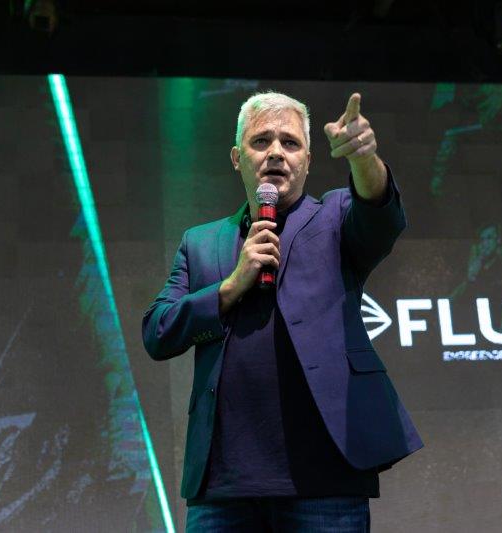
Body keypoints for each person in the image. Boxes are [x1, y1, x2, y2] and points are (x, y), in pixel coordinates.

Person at [142, 91, 422, 532]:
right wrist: (231, 286)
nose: (276, 152)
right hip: (223, 489)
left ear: (308, 160)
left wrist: (363, 157)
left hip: (325, 482)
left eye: (290, 143)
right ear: (237, 158)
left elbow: (379, 211)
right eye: (261, 141)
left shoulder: (335, 218)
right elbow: (158, 332)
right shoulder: (201, 243)